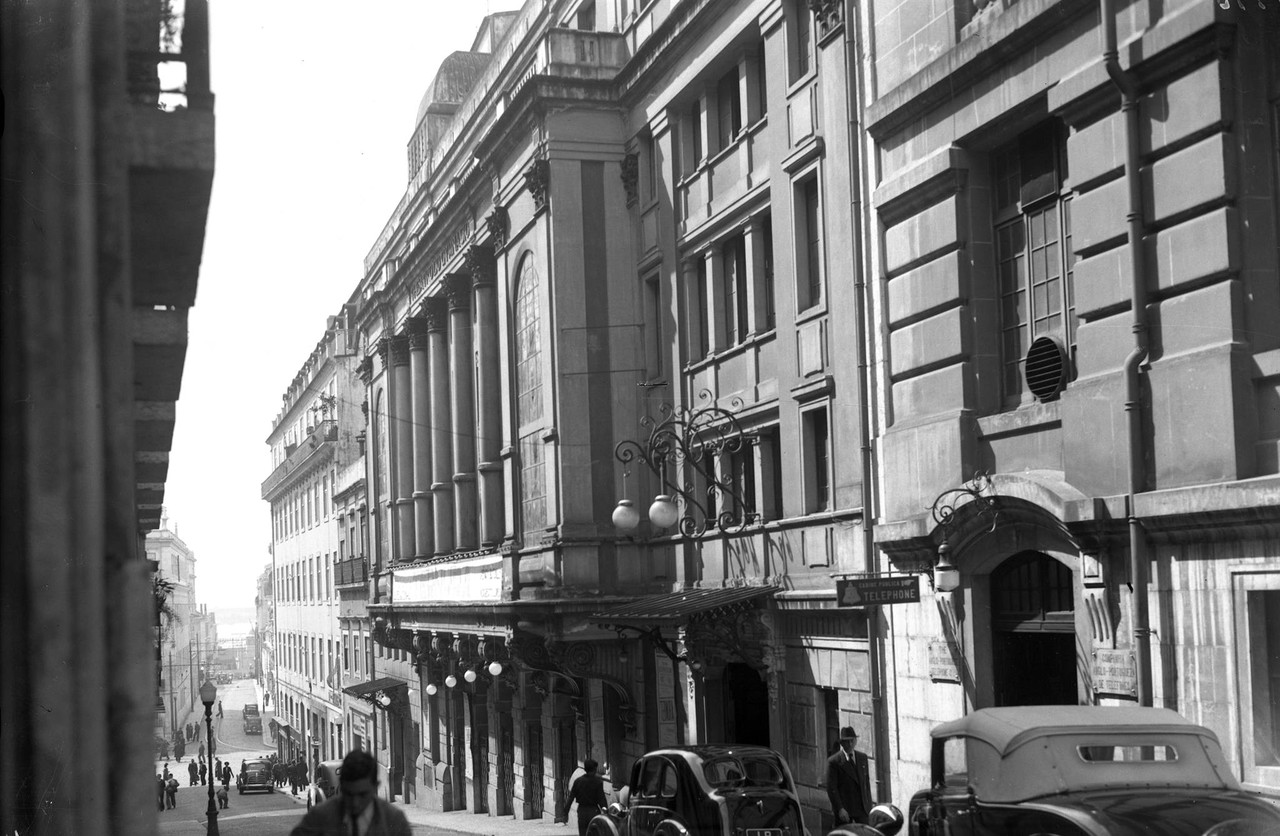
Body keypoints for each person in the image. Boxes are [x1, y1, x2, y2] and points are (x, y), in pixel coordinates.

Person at [288, 748, 412, 836]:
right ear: (341, 786)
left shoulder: (394, 820)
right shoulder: (318, 818)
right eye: (349, 793)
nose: (355, 802)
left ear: (375, 787)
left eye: (362, 794)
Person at [827, 726, 873, 826]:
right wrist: (840, 809)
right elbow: (832, 788)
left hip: (862, 810)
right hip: (846, 812)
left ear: (855, 741)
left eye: (852, 740)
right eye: (846, 741)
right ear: (841, 743)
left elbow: (866, 784)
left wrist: (869, 805)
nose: (849, 744)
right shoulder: (834, 761)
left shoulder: (862, 758)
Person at [557, 758, 608, 836]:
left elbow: (570, 798)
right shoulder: (598, 782)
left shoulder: (578, 781)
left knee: (583, 833)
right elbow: (602, 799)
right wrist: (606, 812)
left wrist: (565, 813)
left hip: (582, 811)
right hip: (593, 811)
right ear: (594, 769)